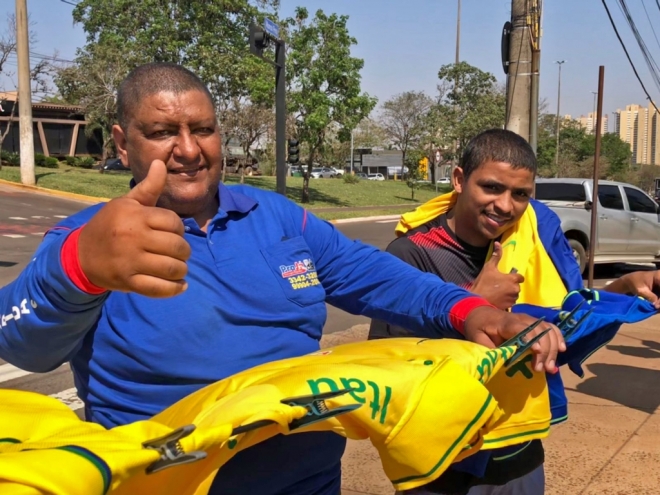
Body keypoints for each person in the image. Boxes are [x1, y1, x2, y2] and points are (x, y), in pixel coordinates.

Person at [0, 64, 562, 495]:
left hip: (307, 479)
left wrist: (471, 311)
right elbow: (21, 344)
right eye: (162, 132)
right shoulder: (92, 239)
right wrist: (77, 269)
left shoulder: (277, 218)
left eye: (204, 129)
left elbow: (379, 277)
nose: (190, 150)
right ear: (123, 144)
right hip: (166, 483)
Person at [369, 128, 660, 495]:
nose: (506, 206)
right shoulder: (413, 254)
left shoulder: (532, 240)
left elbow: (565, 311)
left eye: (520, 194)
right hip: (442, 461)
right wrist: (475, 302)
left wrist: (624, 287)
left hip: (519, 450)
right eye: (492, 187)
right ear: (459, 180)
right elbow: (390, 367)